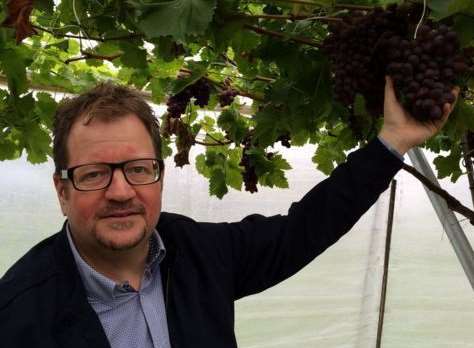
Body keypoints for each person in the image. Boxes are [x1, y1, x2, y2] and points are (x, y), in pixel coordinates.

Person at [0, 77, 457, 348]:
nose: (121, 191)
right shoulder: (17, 315)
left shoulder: (203, 254)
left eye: (138, 169)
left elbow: (306, 228)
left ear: (158, 175)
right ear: (62, 190)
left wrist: (393, 141)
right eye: (95, 173)